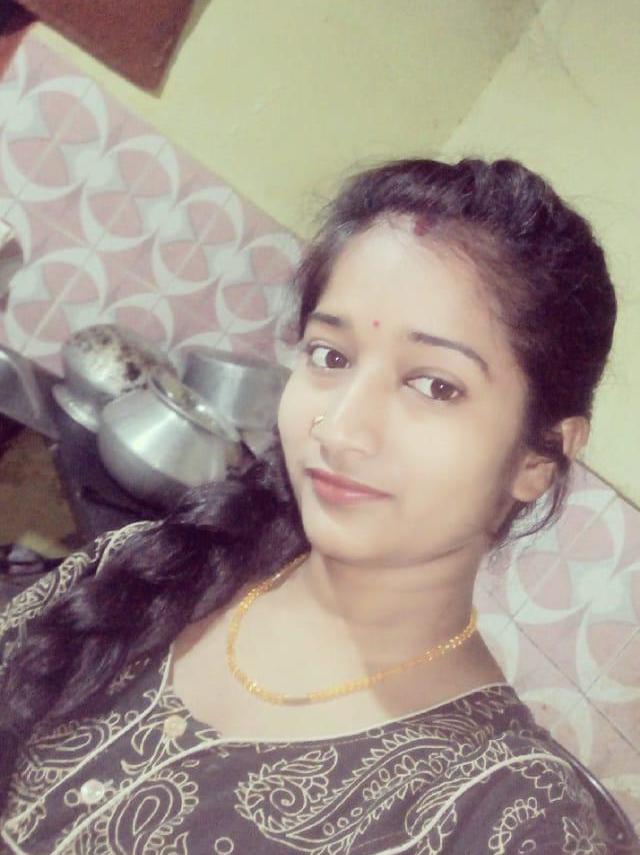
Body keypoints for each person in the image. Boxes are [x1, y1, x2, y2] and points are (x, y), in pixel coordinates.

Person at [0, 158, 635, 854]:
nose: (341, 429)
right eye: (331, 357)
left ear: (539, 457)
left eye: (435, 386)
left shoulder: (509, 816)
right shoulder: (142, 569)